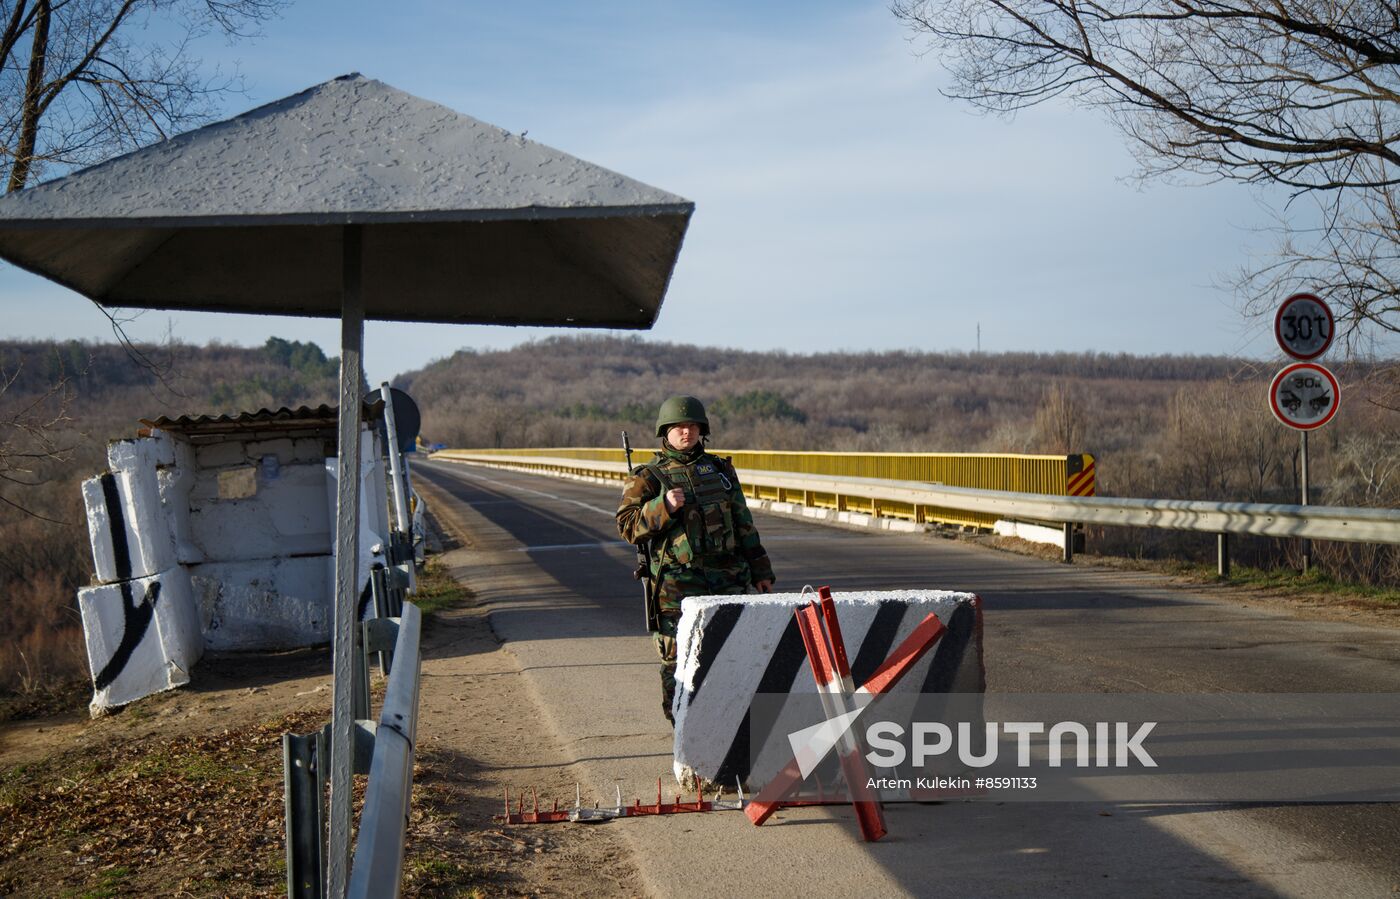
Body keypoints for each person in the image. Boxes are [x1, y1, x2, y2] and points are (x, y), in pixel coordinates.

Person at [616, 395, 776, 725]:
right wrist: (663, 506)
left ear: (701, 430)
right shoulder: (647, 477)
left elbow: (743, 522)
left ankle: (730, 731)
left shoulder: (720, 471)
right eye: (678, 427)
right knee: (677, 662)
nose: (686, 432)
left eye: (691, 426)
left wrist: (761, 569)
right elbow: (627, 526)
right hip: (676, 587)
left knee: (733, 655)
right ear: (665, 432)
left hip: (728, 579)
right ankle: (683, 732)